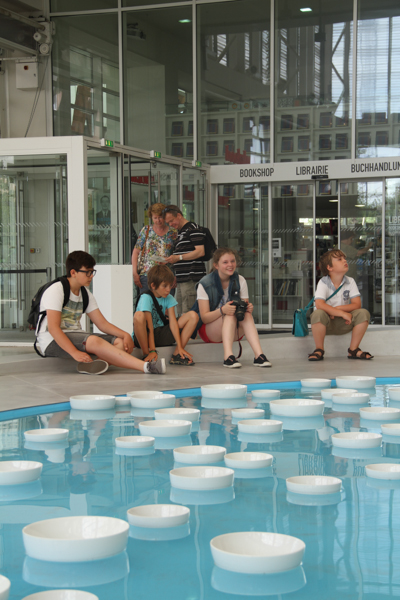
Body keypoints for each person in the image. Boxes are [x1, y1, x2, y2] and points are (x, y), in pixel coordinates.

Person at [35, 250, 166, 375]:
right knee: (93, 340)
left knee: (120, 343)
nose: (91, 276)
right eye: (87, 272)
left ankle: (92, 365)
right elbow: (53, 328)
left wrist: (125, 334)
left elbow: (102, 324)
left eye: (92, 272)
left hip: (77, 336)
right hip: (52, 341)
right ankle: (146, 367)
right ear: (73, 272)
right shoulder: (56, 290)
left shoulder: (85, 293)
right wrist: (74, 352)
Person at [192, 247, 271, 368]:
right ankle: (228, 357)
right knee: (229, 312)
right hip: (210, 330)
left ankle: (259, 355)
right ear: (216, 265)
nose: (230, 265)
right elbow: (204, 318)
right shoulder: (205, 283)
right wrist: (222, 310)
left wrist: (248, 308)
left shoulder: (240, 280)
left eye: (232, 261)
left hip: (234, 329)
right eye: (225, 262)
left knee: (245, 314)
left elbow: (243, 310)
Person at [308, 249, 373, 361]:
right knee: (317, 314)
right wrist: (342, 313)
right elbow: (319, 304)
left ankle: (353, 350)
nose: (344, 261)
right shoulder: (323, 282)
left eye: (344, 258)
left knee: (363, 313)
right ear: (329, 267)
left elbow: (357, 304)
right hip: (326, 324)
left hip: (345, 322)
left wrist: (337, 310)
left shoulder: (350, 281)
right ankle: (319, 349)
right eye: (339, 259)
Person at [133, 264, 198, 365]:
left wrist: (180, 346)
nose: (168, 289)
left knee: (193, 315)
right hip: (144, 336)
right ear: (153, 286)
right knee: (139, 315)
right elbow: (149, 327)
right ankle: (146, 355)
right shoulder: (146, 297)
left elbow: (173, 323)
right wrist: (152, 350)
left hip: (160, 333)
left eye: (170, 285)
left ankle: (177, 354)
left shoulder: (169, 298)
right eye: (164, 286)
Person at [163, 205, 206, 316]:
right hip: (182, 279)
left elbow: (200, 251)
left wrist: (178, 257)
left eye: (171, 221)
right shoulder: (181, 232)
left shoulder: (192, 228)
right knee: (182, 313)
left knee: (189, 314)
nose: (171, 224)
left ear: (179, 215)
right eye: (168, 223)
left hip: (191, 278)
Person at [132, 203, 177, 295]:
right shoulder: (146, 230)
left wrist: (176, 275)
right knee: (147, 301)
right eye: (155, 218)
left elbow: (177, 254)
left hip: (167, 276)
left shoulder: (173, 232)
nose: (158, 220)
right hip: (147, 275)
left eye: (160, 217)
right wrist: (134, 273)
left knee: (166, 302)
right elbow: (136, 252)